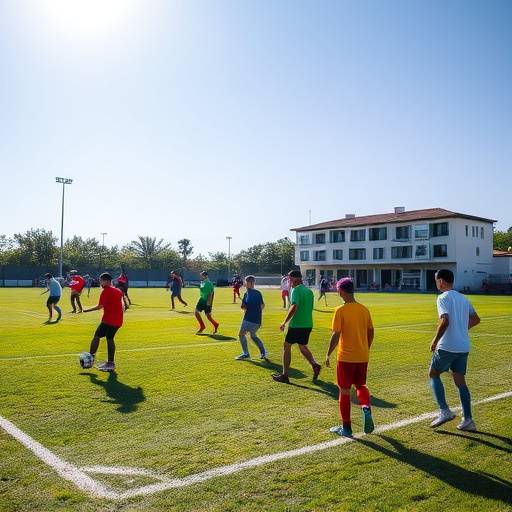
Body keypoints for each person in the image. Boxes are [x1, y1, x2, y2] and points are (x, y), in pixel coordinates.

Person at [429, 269, 480, 431]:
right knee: (460, 382)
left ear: (441, 281)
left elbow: (444, 320)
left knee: (433, 373)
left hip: (447, 346)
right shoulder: (463, 298)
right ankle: (468, 420)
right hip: (463, 346)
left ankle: (445, 411)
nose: (436, 283)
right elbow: (476, 319)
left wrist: (435, 340)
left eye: (436, 280)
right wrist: (461, 330)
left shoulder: (442, 297)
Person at [325, 278, 375, 438]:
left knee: (344, 391)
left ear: (341, 291)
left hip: (346, 357)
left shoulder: (340, 310)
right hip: (362, 355)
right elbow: (371, 331)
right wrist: (365, 347)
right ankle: (366, 407)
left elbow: (336, 334)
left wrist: (328, 353)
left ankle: (346, 428)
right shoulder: (364, 309)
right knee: (361, 385)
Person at [272, 270, 321, 383]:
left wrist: (284, 322)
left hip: (297, 325)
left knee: (286, 346)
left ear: (295, 279)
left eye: (289, 279)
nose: (289, 281)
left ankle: (284, 375)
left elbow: (294, 306)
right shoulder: (309, 291)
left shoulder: (296, 290)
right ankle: (315, 365)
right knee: (303, 347)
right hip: (308, 324)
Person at [83, 272, 124, 372]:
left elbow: (100, 306)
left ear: (106, 281)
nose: (100, 282)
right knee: (110, 338)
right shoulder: (118, 291)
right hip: (118, 320)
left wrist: (87, 310)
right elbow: (123, 305)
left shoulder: (106, 291)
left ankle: (90, 359)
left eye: (101, 280)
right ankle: (110, 363)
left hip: (108, 320)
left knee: (97, 336)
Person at [236, 275, 268, 360]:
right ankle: (246, 353)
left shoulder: (257, 293)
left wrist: (256, 312)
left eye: (250, 282)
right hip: (247, 318)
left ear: (252, 283)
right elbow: (244, 306)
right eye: (247, 282)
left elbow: (262, 305)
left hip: (255, 319)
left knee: (253, 336)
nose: (248, 283)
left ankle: (263, 352)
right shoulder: (246, 294)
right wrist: (243, 307)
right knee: (242, 334)